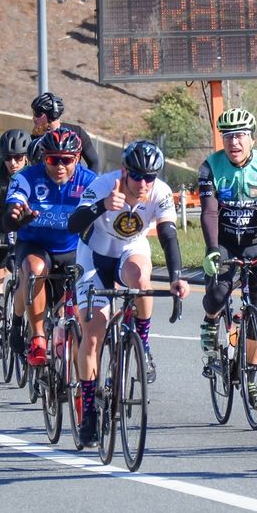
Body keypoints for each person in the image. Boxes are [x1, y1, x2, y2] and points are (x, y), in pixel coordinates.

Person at [68, 140, 189, 446]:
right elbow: (74, 224)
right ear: (124, 171)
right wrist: (102, 206)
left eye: (151, 176)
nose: (145, 183)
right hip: (94, 254)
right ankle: (90, 411)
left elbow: (167, 234)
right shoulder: (104, 185)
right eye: (138, 176)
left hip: (129, 250)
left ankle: (143, 345)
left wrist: (176, 276)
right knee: (93, 333)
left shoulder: (160, 191)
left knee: (141, 278)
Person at [197, 108, 257, 410]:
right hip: (225, 243)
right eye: (228, 136)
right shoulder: (210, 166)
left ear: (252, 139)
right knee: (217, 293)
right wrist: (212, 248)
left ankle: (252, 379)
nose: (234, 142)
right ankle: (211, 321)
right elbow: (210, 211)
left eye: (240, 136)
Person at [3, 127, 96, 367]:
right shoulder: (26, 178)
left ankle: (78, 382)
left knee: (76, 315)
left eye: (67, 160)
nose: (60, 166)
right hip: (35, 243)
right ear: (44, 158)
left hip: (71, 248)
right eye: (53, 160)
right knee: (35, 270)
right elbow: (10, 212)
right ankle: (37, 338)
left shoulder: (89, 181)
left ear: (77, 158)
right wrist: (15, 218)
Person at [0, 128, 31, 321]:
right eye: (8, 158)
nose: (13, 163)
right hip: (2, 216)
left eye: (18, 158)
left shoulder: (35, 170)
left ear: (26, 157)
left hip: (26, 218)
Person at [28, 92, 100, 172]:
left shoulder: (77, 132)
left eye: (37, 114)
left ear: (52, 115)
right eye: (34, 113)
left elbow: (94, 162)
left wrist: (90, 183)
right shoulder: (34, 139)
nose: (34, 118)